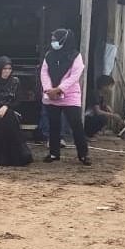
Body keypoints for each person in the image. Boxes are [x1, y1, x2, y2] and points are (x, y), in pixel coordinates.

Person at [40, 28, 91, 166]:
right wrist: (49, 89)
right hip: (51, 94)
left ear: (64, 40)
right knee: (54, 125)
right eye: (52, 40)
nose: (53, 42)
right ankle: (54, 153)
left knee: (76, 125)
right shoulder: (49, 55)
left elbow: (75, 76)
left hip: (70, 95)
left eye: (56, 39)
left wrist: (60, 89)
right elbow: (44, 73)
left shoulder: (76, 56)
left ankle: (83, 154)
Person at [0, 57, 33, 167]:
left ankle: (15, 156)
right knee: (4, 120)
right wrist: (0, 109)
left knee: (9, 118)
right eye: (4, 68)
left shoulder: (15, 82)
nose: (7, 71)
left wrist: (6, 107)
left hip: (10, 110)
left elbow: (18, 100)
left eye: (9, 68)